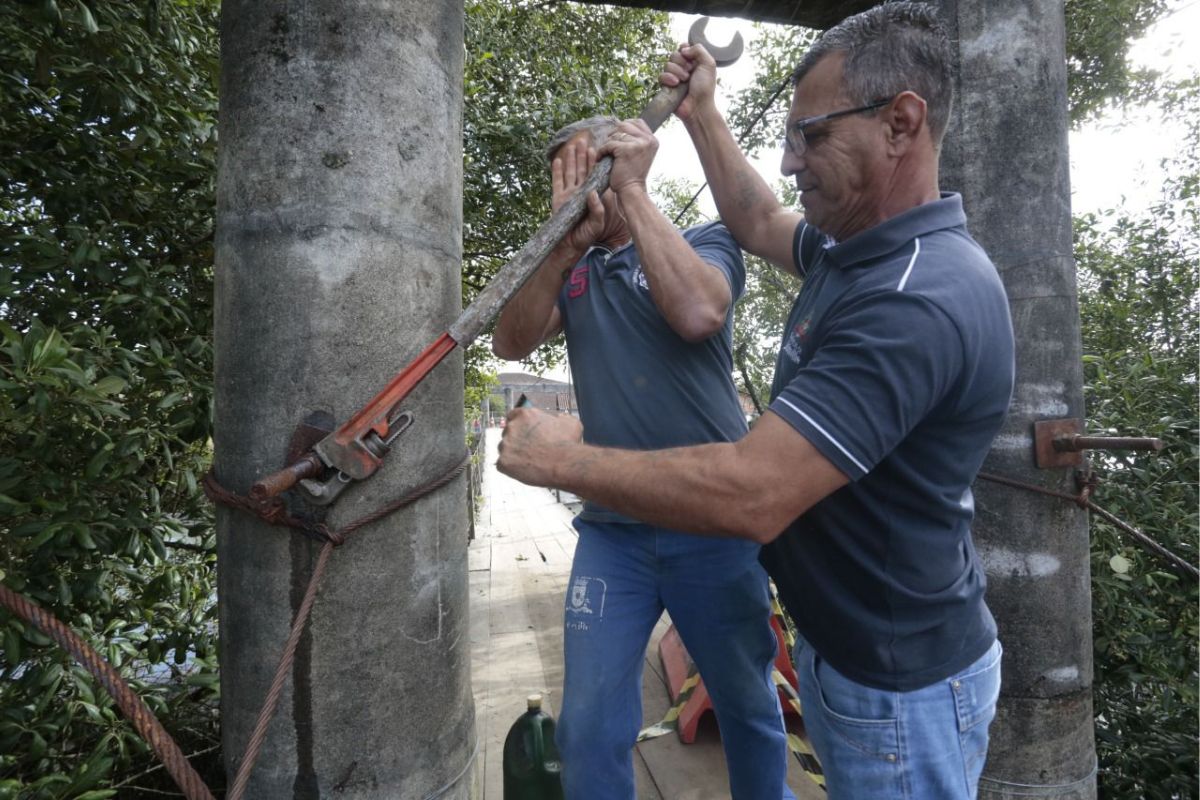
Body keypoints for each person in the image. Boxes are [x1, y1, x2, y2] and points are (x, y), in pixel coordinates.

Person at [497, 4, 1015, 799]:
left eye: (811, 136)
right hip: (844, 647)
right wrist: (702, 110)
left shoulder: (914, 297)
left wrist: (565, 458)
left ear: (901, 125)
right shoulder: (852, 253)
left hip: (895, 679)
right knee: (596, 722)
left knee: (748, 707)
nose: (792, 162)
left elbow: (751, 483)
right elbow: (759, 215)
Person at [492, 116, 795, 800]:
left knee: (748, 705)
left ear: (620, 168)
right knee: (589, 726)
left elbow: (698, 313)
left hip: (712, 526)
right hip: (614, 534)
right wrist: (558, 249)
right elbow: (510, 343)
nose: (577, 195)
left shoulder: (706, 243)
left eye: (586, 175)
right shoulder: (574, 274)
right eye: (565, 183)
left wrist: (630, 193)